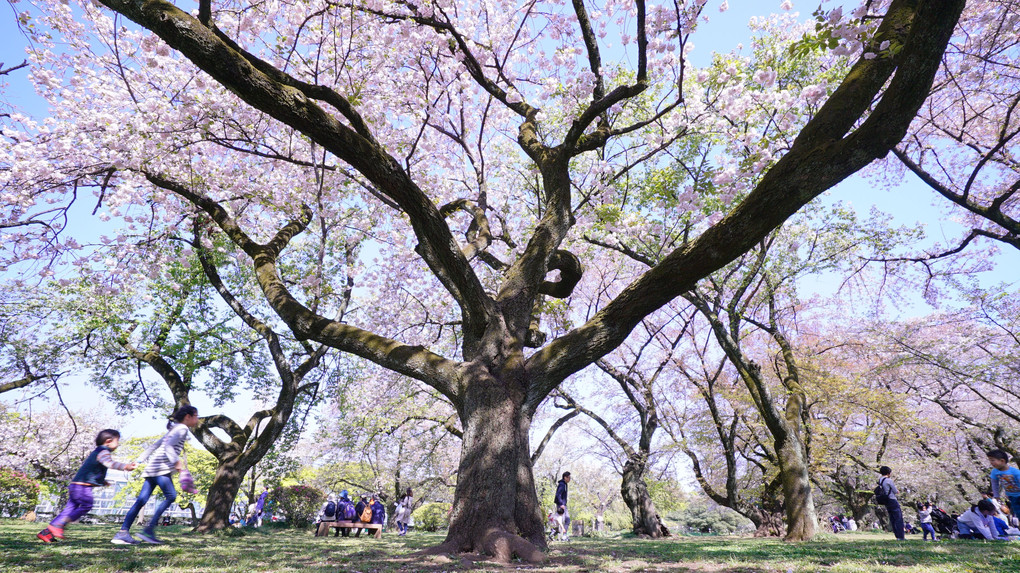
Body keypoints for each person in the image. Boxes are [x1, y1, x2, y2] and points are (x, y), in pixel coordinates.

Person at [113, 405, 198, 545]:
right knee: (171, 496)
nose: (197, 419)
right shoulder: (182, 429)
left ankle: (122, 533)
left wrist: (139, 460)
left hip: (152, 468)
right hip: (161, 468)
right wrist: (176, 462)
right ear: (188, 417)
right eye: (196, 416)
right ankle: (149, 531)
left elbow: (155, 445)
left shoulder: (173, 429)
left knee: (141, 500)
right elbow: (169, 447)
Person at [37, 429, 137, 542]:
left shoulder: (96, 452)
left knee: (69, 509)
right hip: (83, 488)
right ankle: (59, 524)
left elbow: (92, 469)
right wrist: (125, 466)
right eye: (117, 441)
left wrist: (102, 481)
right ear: (108, 441)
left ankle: (46, 533)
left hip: (75, 485)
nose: (118, 444)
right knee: (87, 505)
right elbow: (109, 463)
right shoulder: (104, 452)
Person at [987, 449, 1020, 522]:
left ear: (1002, 461)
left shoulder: (1015, 472)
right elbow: (994, 483)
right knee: (1018, 513)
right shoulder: (995, 472)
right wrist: (996, 495)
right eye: (990, 460)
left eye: (993, 460)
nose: (991, 463)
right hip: (1012, 496)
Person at [877, 466, 905, 540]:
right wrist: (897, 491)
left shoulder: (880, 480)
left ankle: (897, 536)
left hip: (886, 501)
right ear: (888, 473)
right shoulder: (889, 480)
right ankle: (901, 536)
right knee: (898, 518)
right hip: (892, 499)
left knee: (892, 518)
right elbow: (895, 491)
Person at [555, 471, 571, 541]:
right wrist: (561, 504)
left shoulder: (564, 484)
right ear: (565, 477)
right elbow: (558, 494)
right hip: (561, 505)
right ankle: (557, 536)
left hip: (564, 505)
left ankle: (564, 536)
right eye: (569, 477)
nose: (570, 479)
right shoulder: (562, 484)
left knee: (567, 520)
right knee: (560, 521)